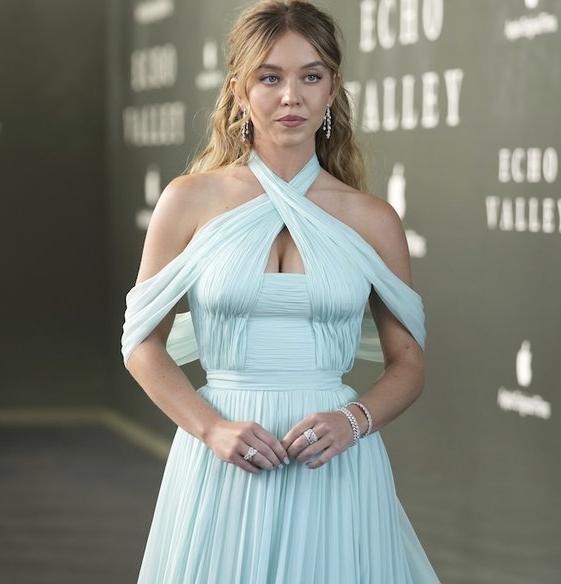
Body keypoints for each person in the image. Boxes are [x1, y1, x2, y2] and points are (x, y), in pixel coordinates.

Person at [120, 1, 440, 582]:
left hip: (336, 465)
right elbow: (142, 344)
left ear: (332, 89)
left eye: (310, 76)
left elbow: (409, 362)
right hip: (223, 459)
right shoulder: (188, 201)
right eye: (270, 77)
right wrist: (210, 427)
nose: (291, 96)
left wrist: (355, 419)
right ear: (240, 90)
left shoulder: (372, 219)